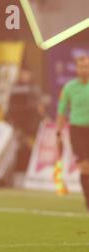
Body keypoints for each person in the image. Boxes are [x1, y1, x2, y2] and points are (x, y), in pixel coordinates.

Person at [56, 54, 89, 211]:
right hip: (77, 130)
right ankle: (88, 199)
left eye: (87, 66)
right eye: (82, 66)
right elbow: (62, 111)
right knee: (84, 167)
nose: (85, 69)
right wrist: (58, 132)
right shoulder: (69, 87)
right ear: (77, 68)